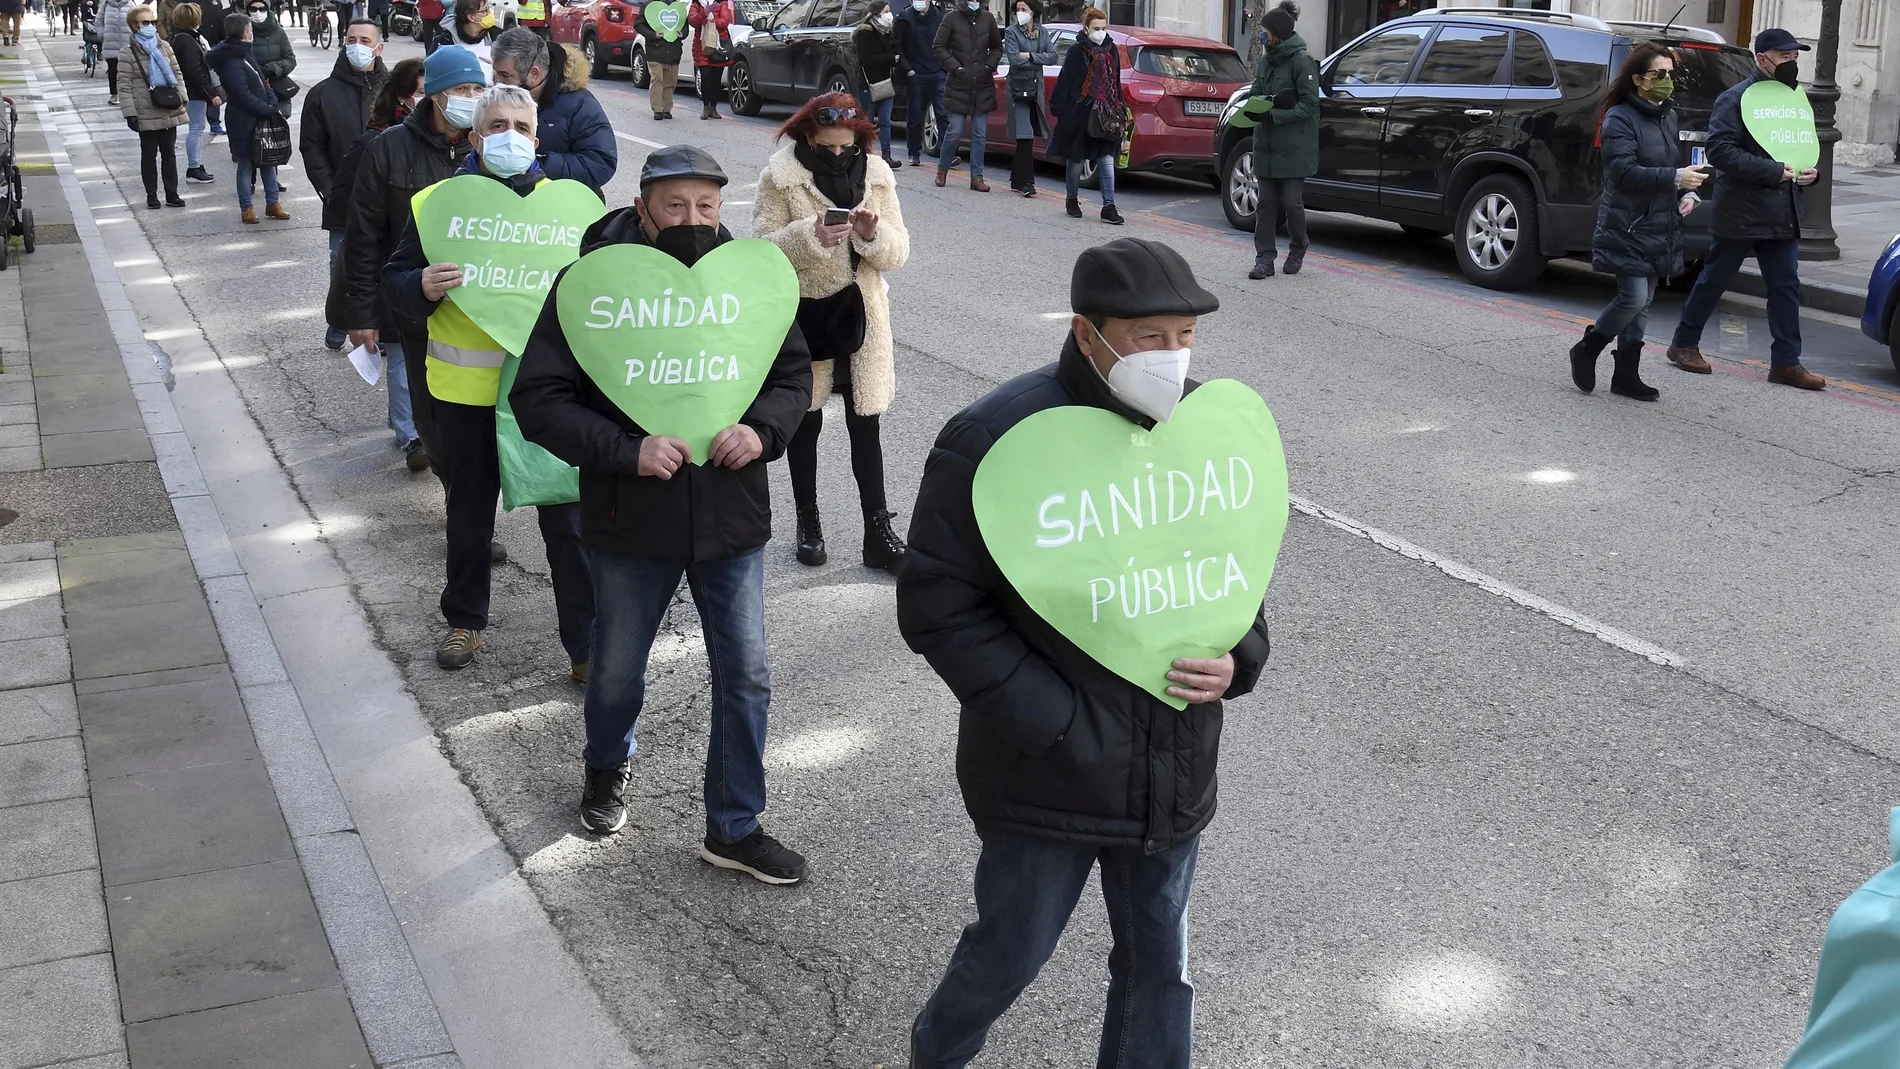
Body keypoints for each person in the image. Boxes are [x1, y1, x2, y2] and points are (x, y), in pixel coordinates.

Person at [898, 236, 1272, 1069]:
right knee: (1009, 955)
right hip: (1047, 777)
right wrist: (1057, 722)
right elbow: (936, 606)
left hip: (1173, 769)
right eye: (1149, 337)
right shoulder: (997, 437)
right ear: (1087, 334)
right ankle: (936, 1052)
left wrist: (1239, 655)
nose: (1173, 357)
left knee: (1159, 971)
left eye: (1185, 335)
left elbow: (1233, 570)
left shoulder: (1204, 430)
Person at [512, 144, 814, 882]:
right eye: (676, 206)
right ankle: (605, 767)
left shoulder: (747, 283)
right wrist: (625, 448)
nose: (693, 220)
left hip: (731, 515)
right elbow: (538, 399)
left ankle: (734, 825)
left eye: (707, 207)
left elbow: (791, 374)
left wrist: (765, 430)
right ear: (643, 208)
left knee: (746, 674)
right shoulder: (588, 285)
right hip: (630, 514)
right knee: (616, 669)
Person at [383, 83, 596, 677]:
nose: (509, 137)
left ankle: (585, 643)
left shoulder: (575, 207)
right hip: (465, 395)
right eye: (496, 125)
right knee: (470, 515)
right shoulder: (438, 205)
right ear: (473, 138)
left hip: (550, 395)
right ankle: (465, 621)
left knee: (567, 520)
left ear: (537, 138)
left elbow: (603, 293)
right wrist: (419, 286)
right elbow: (393, 282)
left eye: (521, 128)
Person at [755, 93, 910, 574]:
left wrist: (871, 236)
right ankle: (809, 523)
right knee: (807, 421)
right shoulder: (780, 176)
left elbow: (899, 251)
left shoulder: (878, 175)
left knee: (867, 424)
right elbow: (760, 249)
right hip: (808, 316)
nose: (839, 155)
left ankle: (877, 532)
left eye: (848, 148)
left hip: (864, 317)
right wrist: (808, 237)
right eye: (828, 147)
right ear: (808, 136)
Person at [344, 46, 482, 477]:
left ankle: (469, 511)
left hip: (476, 313)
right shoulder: (388, 148)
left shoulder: (488, 150)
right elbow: (364, 236)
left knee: (474, 426)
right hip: (414, 307)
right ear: (436, 94)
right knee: (431, 418)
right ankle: (438, 470)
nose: (472, 97)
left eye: (479, 88)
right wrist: (362, 312)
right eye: (462, 88)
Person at [1667, 28, 1825, 390]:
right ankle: (1683, 344)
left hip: (1782, 209)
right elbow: (1721, 151)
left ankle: (1786, 362)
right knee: (1714, 280)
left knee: (1785, 285)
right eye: (1785, 56)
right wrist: (1772, 171)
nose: (1792, 63)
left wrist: (1811, 173)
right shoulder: (1735, 98)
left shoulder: (1793, 99)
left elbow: (1801, 145)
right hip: (1743, 209)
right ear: (1762, 59)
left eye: (1795, 57)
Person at [1570, 42, 1709, 401]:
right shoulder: (1619, 117)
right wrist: (1676, 178)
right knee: (1632, 297)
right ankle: (1589, 347)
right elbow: (1624, 171)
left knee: (1645, 300)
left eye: (1670, 74)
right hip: (1628, 222)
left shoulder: (1668, 115)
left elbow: (1672, 163)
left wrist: (1686, 193)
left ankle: (1626, 375)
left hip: (1659, 221)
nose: (1666, 81)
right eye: (1658, 74)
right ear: (1637, 79)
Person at [329, 56, 428, 470]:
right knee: (401, 353)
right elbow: (353, 216)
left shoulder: (462, 145)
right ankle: (411, 436)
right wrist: (360, 303)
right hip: (394, 268)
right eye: (422, 90)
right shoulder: (379, 142)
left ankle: (406, 421)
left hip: (433, 270)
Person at [304, 18, 387, 349]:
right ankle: (339, 318)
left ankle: (379, 325)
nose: (358, 45)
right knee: (341, 262)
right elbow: (312, 147)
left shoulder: (394, 89)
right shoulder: (322, 93)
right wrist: (329, 189)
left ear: (379, 47)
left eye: (365, 40)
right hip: (343, 200)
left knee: (385, 261)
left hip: (387, 197)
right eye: (352, 38)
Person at [490, 27, 616, 196]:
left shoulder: (579, 105)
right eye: (495, 74)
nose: (498, 83)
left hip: (559, 207)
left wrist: (534, 164)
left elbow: (600, 164)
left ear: (534, 74)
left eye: (505, 76)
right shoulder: (494, 100)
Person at [1245, 0, 1316, 278]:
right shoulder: (1265, 60)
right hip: (1266, 145)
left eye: (1264, 31)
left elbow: (1310, 106)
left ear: (1277, 34)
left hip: (1294, 147)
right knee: (1265, 204)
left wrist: (1276, 114)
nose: (1261, 35)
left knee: (1291, 202)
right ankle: (1264, 259)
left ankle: (1298, 247)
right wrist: (1255, 107)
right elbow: (1256, 92)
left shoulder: (1301, 60)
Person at [207, 10, 287, 221]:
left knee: (268, 161)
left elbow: (262, 81)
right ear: (243, 32)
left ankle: (273, 202)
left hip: (261, 115)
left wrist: (272, 101)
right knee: (246, 163)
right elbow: (241, 95)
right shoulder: (232, 59)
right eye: (250, 29)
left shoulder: (245, 52)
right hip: (243, 119)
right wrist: (265, 108)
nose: (252, 32)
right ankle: (247, 208)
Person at [1047, 6, 1119, 222]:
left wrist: (1118, 110)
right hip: (1079, 114)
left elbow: (1116, 82)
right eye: (1096, 28)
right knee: (1075, 161)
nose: (1101, 32)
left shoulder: (1111, 50)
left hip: (1103, 114)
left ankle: (1109, 207)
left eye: (1104, 28)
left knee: (1106, 161)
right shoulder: (1075, 51)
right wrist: (1065, 111)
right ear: (1086, 29)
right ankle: (1071, 199)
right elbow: (1064, 82)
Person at [118, 5, 189, 209]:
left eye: (153, 22)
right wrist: (130, 113)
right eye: (145, 22)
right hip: (145, 109)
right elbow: (123, 85)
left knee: (170, 153)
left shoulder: (164, 46)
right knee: (148, 154)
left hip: (168, 106)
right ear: (134, 26)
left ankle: (172, 193)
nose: (150, 26)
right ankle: (151, 194)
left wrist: (182, 98)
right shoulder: (127, 52)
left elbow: (177, 73)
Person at [931, 0, 998, 191]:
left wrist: (988, 66)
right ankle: (942, 169)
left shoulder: (988, 18)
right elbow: (938, 46)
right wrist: (956, 67)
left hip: (982, 84)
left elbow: (996, 47)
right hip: (959, 83)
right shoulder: (951, 18)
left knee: (979, 134)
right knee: (954, 131)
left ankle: (977, 177)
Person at [1002, 0, 1053, 196]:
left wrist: (1030, 56)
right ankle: (1027, 182)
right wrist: (1036, 57)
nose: (1020, 13)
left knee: (1030, 133)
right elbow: (1014, 58)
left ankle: (1016, 179)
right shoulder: (1011, 32)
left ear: (1034, 11)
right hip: (1018, 88)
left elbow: (1052, 56)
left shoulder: (1043, 32)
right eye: (1017, 10)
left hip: (1036, 88)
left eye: (1024, 9)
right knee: (1025, 134)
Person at [168, 2, 219, 186]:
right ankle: (194, 166)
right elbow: (195, 70)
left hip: (191, 89)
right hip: (194, 91)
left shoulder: (180, 37)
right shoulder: (188, 41)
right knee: (196, 129)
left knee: (196, 128)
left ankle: (196, 164)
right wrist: (210, 92)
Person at [893, 0, 942, 169]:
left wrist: (944, 67)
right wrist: (908, 70)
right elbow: (897, 45)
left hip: (937, 72)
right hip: (915, 72)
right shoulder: (904, 17)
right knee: (915, 114)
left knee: (942, 113)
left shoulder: (940, 16)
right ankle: (913, 152)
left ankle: (946, 153)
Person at [851, 1, 900, 166]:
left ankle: (886, 155)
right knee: (867, 120)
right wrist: (891, 59)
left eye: (889, 11)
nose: (889, 15)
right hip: (868, 83)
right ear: (876, 14)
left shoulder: (887, 32)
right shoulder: (864, 34)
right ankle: (861, 152)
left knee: (885, 120)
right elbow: (865, 60)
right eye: (886, 12)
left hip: (885, 83)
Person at [242, 0, 295, 119]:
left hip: (277, 87)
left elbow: (290, 60)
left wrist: (272, 68)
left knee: (279, 126)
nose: (258, 13)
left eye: (262, 9)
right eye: (254, 9)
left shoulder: (278, 31)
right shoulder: (241, 32)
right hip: (252, 90)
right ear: (248, 10)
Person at [686, 0, 735, 120]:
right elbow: (692, 21)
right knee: (706, 77)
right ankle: (705, 107)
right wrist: (704, 13)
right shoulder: (696, 4)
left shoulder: (722, 3)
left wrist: (710, 21)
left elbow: (725, 21)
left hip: (718, 47)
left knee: (716, 80)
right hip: (702, 46)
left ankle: (713, 107)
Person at [634, 0, 682, 120]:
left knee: (670, 82)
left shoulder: (677, 6)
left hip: (673, 51)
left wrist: (683, 33)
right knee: (657, 78)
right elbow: (638, 24)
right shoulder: (649, 5)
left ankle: (667, 109)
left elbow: (684, 24)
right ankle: (657, 109)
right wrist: (653, 34)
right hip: (655, 50)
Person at [433, 0, 497, 79]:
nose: (490, 13)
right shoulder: (445, 42)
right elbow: (432, 75)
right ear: (471, 17)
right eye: (485, 10)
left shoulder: (497, 36)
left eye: (489, 8)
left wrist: (499, 71)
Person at [101, 0, 133, 103]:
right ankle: (114, 94)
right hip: (110, 43)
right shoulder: (105, 4)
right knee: (113, 70)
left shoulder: (130, 4)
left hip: (126, 42)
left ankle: (128, 94)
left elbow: (136, 20)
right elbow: (98, 20)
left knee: (127, 70)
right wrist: (102, 34)